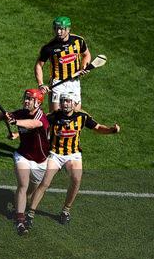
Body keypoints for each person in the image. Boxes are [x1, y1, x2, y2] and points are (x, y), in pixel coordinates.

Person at [27, 92, 120, 226]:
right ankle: (30, 212)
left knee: (76, 179)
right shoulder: (54, 116)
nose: (65, 103)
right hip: (55, 154)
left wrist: (111, 130)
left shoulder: (82, 116)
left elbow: (98, 127)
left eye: (68, 101)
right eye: (63, 101)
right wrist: (19, 132)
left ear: (75, 103)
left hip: (73, 154)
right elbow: (36, 124)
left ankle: (66, 210)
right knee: (45, 183)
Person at [0, 89, 49, 235]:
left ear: (38, 103)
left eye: (30, 99)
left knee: (31, 189)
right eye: (26, 98)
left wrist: (16, 122)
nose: (26, 101)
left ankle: (19, 204)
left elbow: (32, 124)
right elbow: (5, 115)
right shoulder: (22, 112)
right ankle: (19, 221)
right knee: (23, 185)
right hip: (22, 155)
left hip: (41, 160)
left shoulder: (41, 117)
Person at [35, 16, 91, 112]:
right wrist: (41, 84)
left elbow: (86, 55)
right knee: (56, 116)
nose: (58, 32)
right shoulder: (49, 47)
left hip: (74, 82)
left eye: (61, 29)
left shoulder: (78, 41)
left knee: (75, 114)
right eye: (56, 29)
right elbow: (39, 65)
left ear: (68, 29)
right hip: (57, 84)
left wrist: (84, 67)